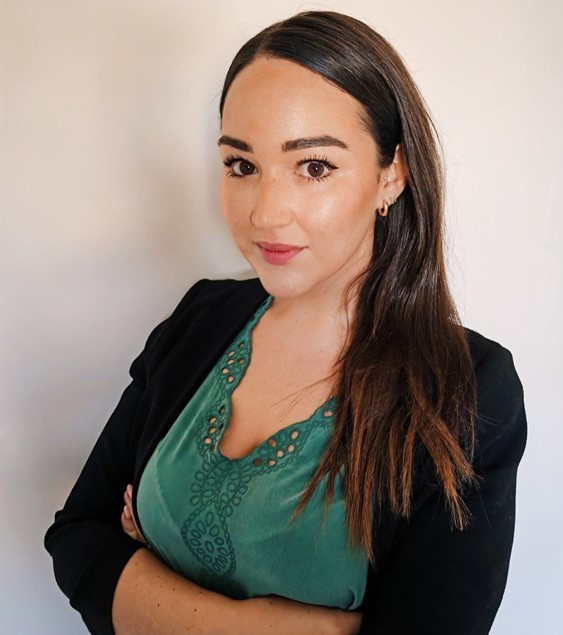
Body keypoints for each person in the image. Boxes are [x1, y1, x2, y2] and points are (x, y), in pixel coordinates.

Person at [44, 10, 527, 635]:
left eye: (315, 167)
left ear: (393, 173)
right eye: (241, 165)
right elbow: (78, 538)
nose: (266, 214)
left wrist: (145, 581)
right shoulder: (202, 317)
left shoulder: (467, 389)